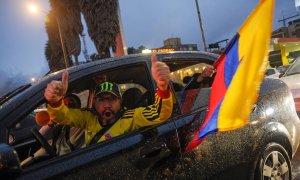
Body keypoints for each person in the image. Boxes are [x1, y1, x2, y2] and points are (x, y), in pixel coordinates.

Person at [44, 55, 173, 145]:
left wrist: (162, 88)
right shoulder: (88, 118)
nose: (106, 104)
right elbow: (63, 116)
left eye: (112, 99)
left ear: (120, 103)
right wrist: (55, 102)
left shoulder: (131, 117)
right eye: (101, 99)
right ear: (94, 103)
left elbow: (159, 113)